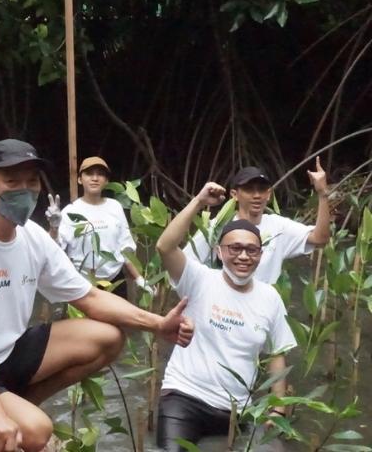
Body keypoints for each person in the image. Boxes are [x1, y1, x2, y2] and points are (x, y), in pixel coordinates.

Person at [0, 139, 194, 452]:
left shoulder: (33, 237)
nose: (24, 190)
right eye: (12, 181)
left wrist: (157, 323)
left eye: (31, 181)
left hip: (6, 352)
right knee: (36, 433)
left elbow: (89, 297)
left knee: (108, 338)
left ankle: (5, 412)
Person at [155, 182, 297, 450]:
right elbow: (165, 246)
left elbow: (277, 352)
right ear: (219, 252)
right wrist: (199, 202)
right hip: (184, 398)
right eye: (234, 249)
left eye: (251, 250)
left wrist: (278, 409)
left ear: (260, 255)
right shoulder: (197, 279)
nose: (243, 256)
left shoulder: (270, 297)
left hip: (236, 410)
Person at [184, 159, 331, 284]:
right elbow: (185, 263)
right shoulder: (216, 227)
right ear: (234, 194)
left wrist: (323, 193)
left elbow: (320, 238)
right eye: (249, 189)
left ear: (268, 194)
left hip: (261, 308)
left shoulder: (279, 227)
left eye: (261, 190)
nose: (256, 195)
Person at [46, 156, 154, 299]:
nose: (95, 178)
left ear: (107, 181)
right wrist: (54, 228)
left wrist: (139, 279)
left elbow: (124, 248)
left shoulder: (115, 207)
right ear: (80, 179)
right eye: (89, 173)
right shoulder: (70, 212)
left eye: (100, 174)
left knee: (118, 321)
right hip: (83, 283)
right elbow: (55, 249)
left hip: (115, 282)